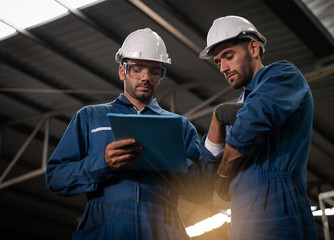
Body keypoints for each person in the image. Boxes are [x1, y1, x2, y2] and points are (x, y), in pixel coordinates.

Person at [46, 28, 212, 240]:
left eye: (154, 71)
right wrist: (102, 163)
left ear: (161, 75)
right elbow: (56, 178)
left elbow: (202, 194)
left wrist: (176, 164)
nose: (146, 77)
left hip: (162, 229)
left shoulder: (180, 126)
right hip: (103, 229)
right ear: (122, 71)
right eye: (137, 69)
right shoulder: (91, 117)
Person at [198, 16, 318, 239]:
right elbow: (211, 175)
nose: (223, 68)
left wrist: (224, 173)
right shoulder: (242, 104)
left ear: (253, 48)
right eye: (218, 62)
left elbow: (249, 127)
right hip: (242, 220)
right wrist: (217, 119)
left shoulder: (283, 75)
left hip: (279, 210)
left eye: (228, 56)